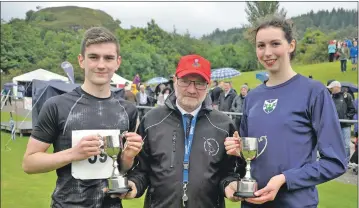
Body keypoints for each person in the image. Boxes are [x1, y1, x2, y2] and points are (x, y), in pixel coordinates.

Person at [224, 16, 346, 207]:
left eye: (275, 44)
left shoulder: (314, 92)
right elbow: (252, 157)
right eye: (261, 45)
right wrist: (239, 152)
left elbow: (335, 162)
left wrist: (285, 179)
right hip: (252, 203)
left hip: (295, 203)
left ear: (291, 45)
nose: (267, 52)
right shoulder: (253, 97)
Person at [22, 27, 143, 208]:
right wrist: (73, 153)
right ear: (81, 61)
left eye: (108, 58)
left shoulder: (128, 110)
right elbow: (29, 163)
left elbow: (121, 168)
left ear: (117, 62)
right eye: (93, 57)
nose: (101, 65)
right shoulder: (57, 105)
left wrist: (127, 157)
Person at [115, 54, 245, 207]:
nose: (191, 89)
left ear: (208, 85)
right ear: (175, 81)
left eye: (199, 83)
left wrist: (230, 186)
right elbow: (141, 170)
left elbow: (228, 173)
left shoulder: (223, 124)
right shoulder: (152, 120)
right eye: (185, 81)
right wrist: (133, 186)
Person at [327, 81, 356, 164]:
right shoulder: (330, 97)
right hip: (334, 125)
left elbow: (352, 109)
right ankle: (336, 161)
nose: (331, 89)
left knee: (346, 144)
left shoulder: (347, 96)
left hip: (345, 125)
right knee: (334, 143)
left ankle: (345, 162)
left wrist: (346, 117)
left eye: (332, 88)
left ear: (337, 87)